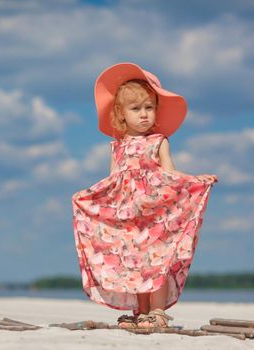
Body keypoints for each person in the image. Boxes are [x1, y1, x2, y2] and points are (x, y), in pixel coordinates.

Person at [72, 62, 218, 329]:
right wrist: (88, 197)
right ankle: (141, 312)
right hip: (129, 217)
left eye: (149, 108)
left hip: (155, 218)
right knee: (135, 264)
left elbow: (170, 177)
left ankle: (158, 312)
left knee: (157, 262)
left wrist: (197, 181)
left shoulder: (159, 141)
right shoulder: (117, 147)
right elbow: (112, 182)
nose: (144, 115)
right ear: (121, 114)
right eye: (136, 109)